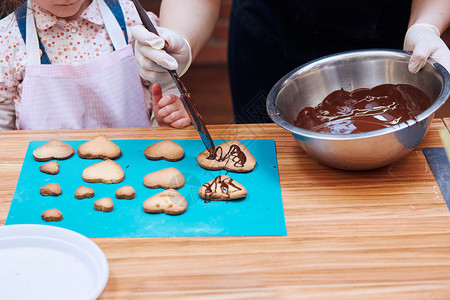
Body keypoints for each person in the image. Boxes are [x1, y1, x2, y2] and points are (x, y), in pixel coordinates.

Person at [228, 0, 450, 124]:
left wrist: (425, 25)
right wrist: (190, 40)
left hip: (387, 34)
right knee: (259, 144)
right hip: (269, 34)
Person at [0, 0, 193, 130]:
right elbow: (4, 128)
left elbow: (163, 87)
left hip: (133, 168)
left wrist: (166, 118)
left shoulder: (130, 18)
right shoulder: (8, 39)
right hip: (45, 178)